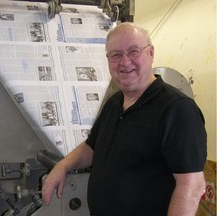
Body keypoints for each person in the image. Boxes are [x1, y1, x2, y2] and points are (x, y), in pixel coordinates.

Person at [42, 22, 207, 216]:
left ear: (151, 53)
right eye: (116, 55)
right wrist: (63, 165)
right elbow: (92, 147)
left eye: (133, 51)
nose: (125, 62)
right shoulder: (114, 103)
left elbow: (191, 186)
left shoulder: (177, 109)